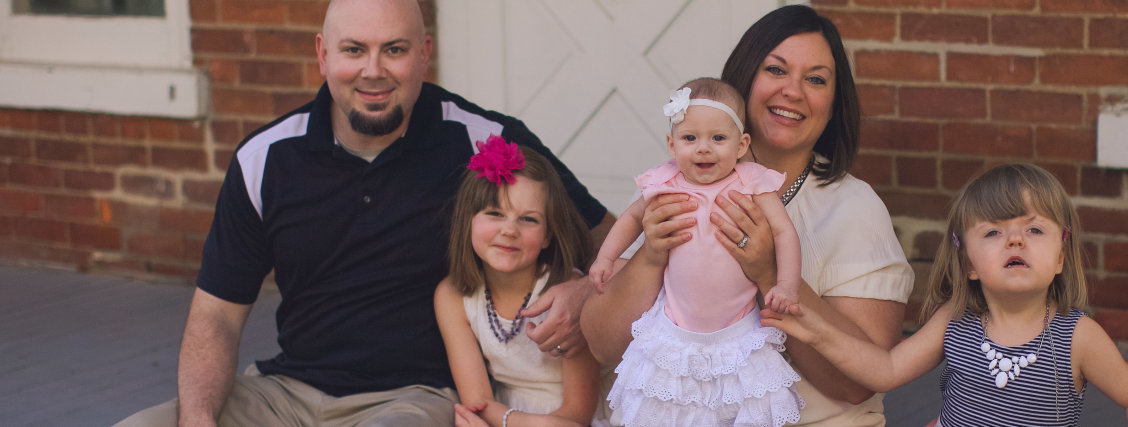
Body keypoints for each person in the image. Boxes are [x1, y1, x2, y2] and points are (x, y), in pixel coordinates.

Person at [115, 0, 614, 425]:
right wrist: (199, 418)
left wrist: (584, 291)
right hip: (283, 393)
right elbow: (217, 313)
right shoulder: (265, 159)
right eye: (354, 49)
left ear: (424, 55)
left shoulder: (483, 141)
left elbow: (611, 242)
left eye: (394, 50)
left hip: (413, 398)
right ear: (322, 55)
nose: (373, 70)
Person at [582, 5, 915, 426]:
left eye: (815, 79)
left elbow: (855, 385)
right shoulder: (675, 184)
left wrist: (768, 271)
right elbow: (603, 345)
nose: (793, 91)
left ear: (834, 104)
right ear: (743, 80)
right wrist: (651, 256)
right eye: (776, 70)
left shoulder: (855, 208)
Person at [761, 164, 1128, 426]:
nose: (1016, 240)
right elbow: (886, 370)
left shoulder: (1077, 336)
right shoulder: (958, 318)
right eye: (993, 232)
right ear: (969, 263)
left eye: (1035, 230)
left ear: (1061, 255)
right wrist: (816, 332)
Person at [590, 78, 804, 426]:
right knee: (669, 409)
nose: (703, 148)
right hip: (674, 327)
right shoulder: (665, 180)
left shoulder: (752, 181)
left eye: (718, 138)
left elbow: (784, 231)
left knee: (741, 408)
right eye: (690, 138)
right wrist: (606, 257)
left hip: (738, 331)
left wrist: (786, 285)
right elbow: (631, 218)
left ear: (741, 145)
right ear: (672, 144)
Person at [437, 138, 608, 426]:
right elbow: (477, 402)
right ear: (467, 220)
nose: (509, 230)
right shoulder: (452, 295)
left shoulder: (566, 295)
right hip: (508, 415)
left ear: (548, 236)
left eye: (528, 219)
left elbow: (577, 414)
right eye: (494, 213)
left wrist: (504, 420)